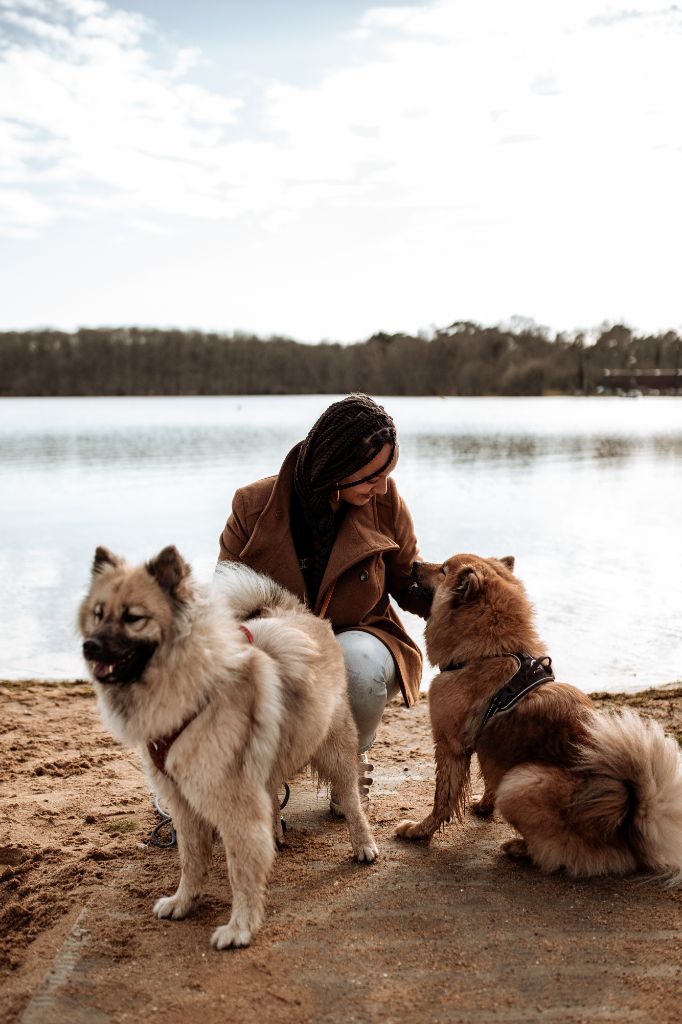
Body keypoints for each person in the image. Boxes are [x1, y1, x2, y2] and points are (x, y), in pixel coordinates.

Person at [217, 393, 430, 812]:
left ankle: (349, 763)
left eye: (388, 473)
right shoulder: (250, 505)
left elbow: (409, 581)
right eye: (372, 476)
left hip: (360, 634)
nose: (382, 487)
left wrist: (470, 603)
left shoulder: (385, 502)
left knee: (359, 666)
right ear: (337, 468)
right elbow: (225, 598)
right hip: (276, 643)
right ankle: (257, 773)